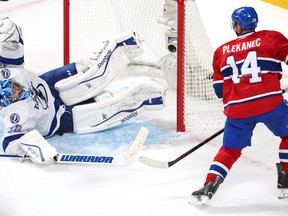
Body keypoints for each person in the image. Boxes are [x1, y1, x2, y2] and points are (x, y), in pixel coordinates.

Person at [0, 17, 167, 165]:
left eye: (14, 86)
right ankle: (148, 99)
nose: (17, 89)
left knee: (86, 67)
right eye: (14, 93)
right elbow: (11, 142)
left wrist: (5, 30)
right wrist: (40, 151)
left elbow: (12, 35)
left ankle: (124, 46)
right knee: (99, 110)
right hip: (57, 118)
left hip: (47, 84)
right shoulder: (17, 116)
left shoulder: (7, 71)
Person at [190, 6, 288, 205]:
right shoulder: (272, 38)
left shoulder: (220, 52)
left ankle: (208, 187)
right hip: (270, 103)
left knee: (229, 150)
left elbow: (219, 91)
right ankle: (285, 179)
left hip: (237, 111)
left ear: (236, 25)